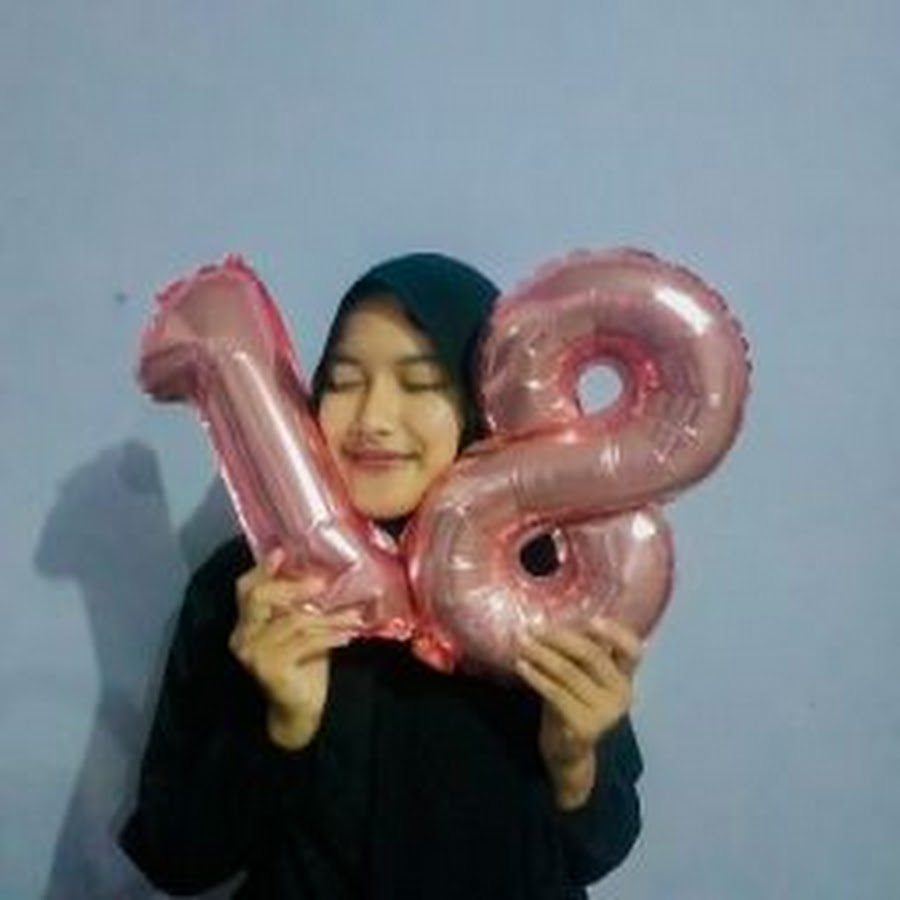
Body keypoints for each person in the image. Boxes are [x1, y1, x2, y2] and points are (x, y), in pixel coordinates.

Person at [120, 252, 644, 899]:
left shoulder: (549, 583)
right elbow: (174, 856)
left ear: (485, 401)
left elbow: (602, 847)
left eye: (420, 384)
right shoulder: (255, 589)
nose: (373, 418)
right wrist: (280, 727)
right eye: (344, 381)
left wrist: (575, 762)